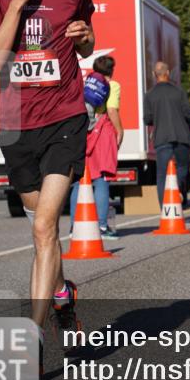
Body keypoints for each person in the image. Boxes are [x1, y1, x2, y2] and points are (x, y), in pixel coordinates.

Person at [0, 0, 93, 359]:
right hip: (16, 126)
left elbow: (89, 40)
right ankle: (63, 296)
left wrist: (85, 38)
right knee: (39, 227)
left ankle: (33, 336)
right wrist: (19, 4)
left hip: (65, 117)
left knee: (45, 227)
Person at [70, 56, 122, 241]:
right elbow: (112, 109)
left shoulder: (85, 84)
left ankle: (74, 225)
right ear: (111, 70)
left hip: (83, 132)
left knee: (79, 180)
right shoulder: (112, 86)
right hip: (101, 131)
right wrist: (120, 131)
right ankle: (101, 225)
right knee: (101, 179)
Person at [144, 61, 190, 210]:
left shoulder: (150, 95)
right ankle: (176, 191)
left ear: (154, 75)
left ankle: (165, 209)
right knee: (182, 168)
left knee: (161, 175)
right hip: (182, 137)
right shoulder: (179, 92)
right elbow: (188, 115)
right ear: (168, 73)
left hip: (162, 138)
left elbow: (147, 119)